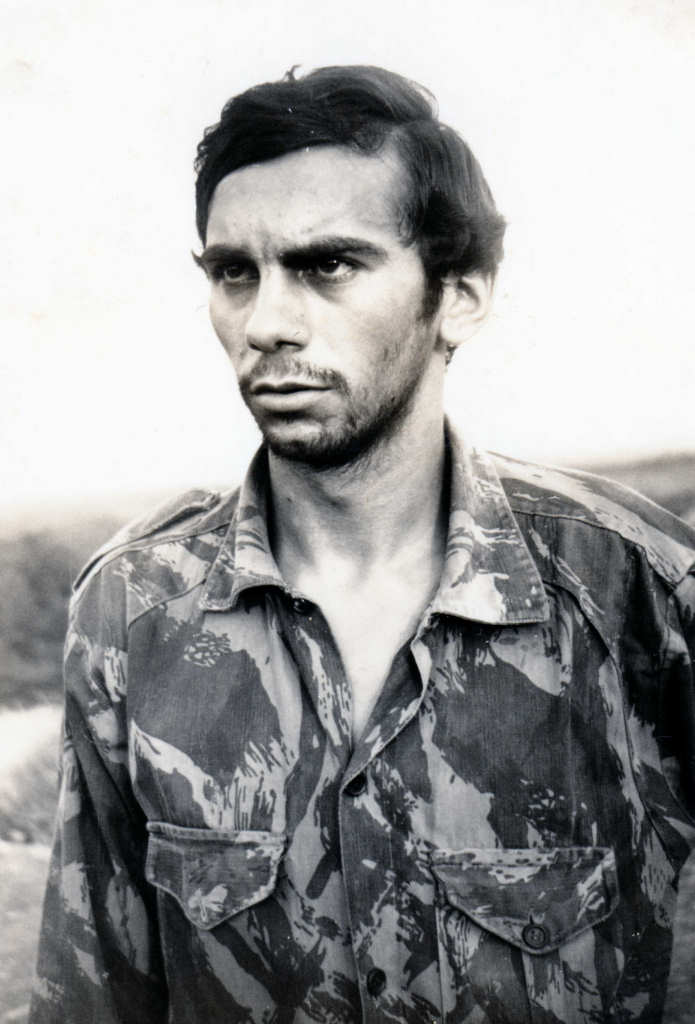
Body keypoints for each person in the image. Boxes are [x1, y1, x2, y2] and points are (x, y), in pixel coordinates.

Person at [30, 65, 695, 1024]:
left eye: (328, 265)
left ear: (459, 295)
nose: (266, 324)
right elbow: (94, 993)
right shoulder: (135, 610)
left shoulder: (635, 585)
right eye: (234, 272)